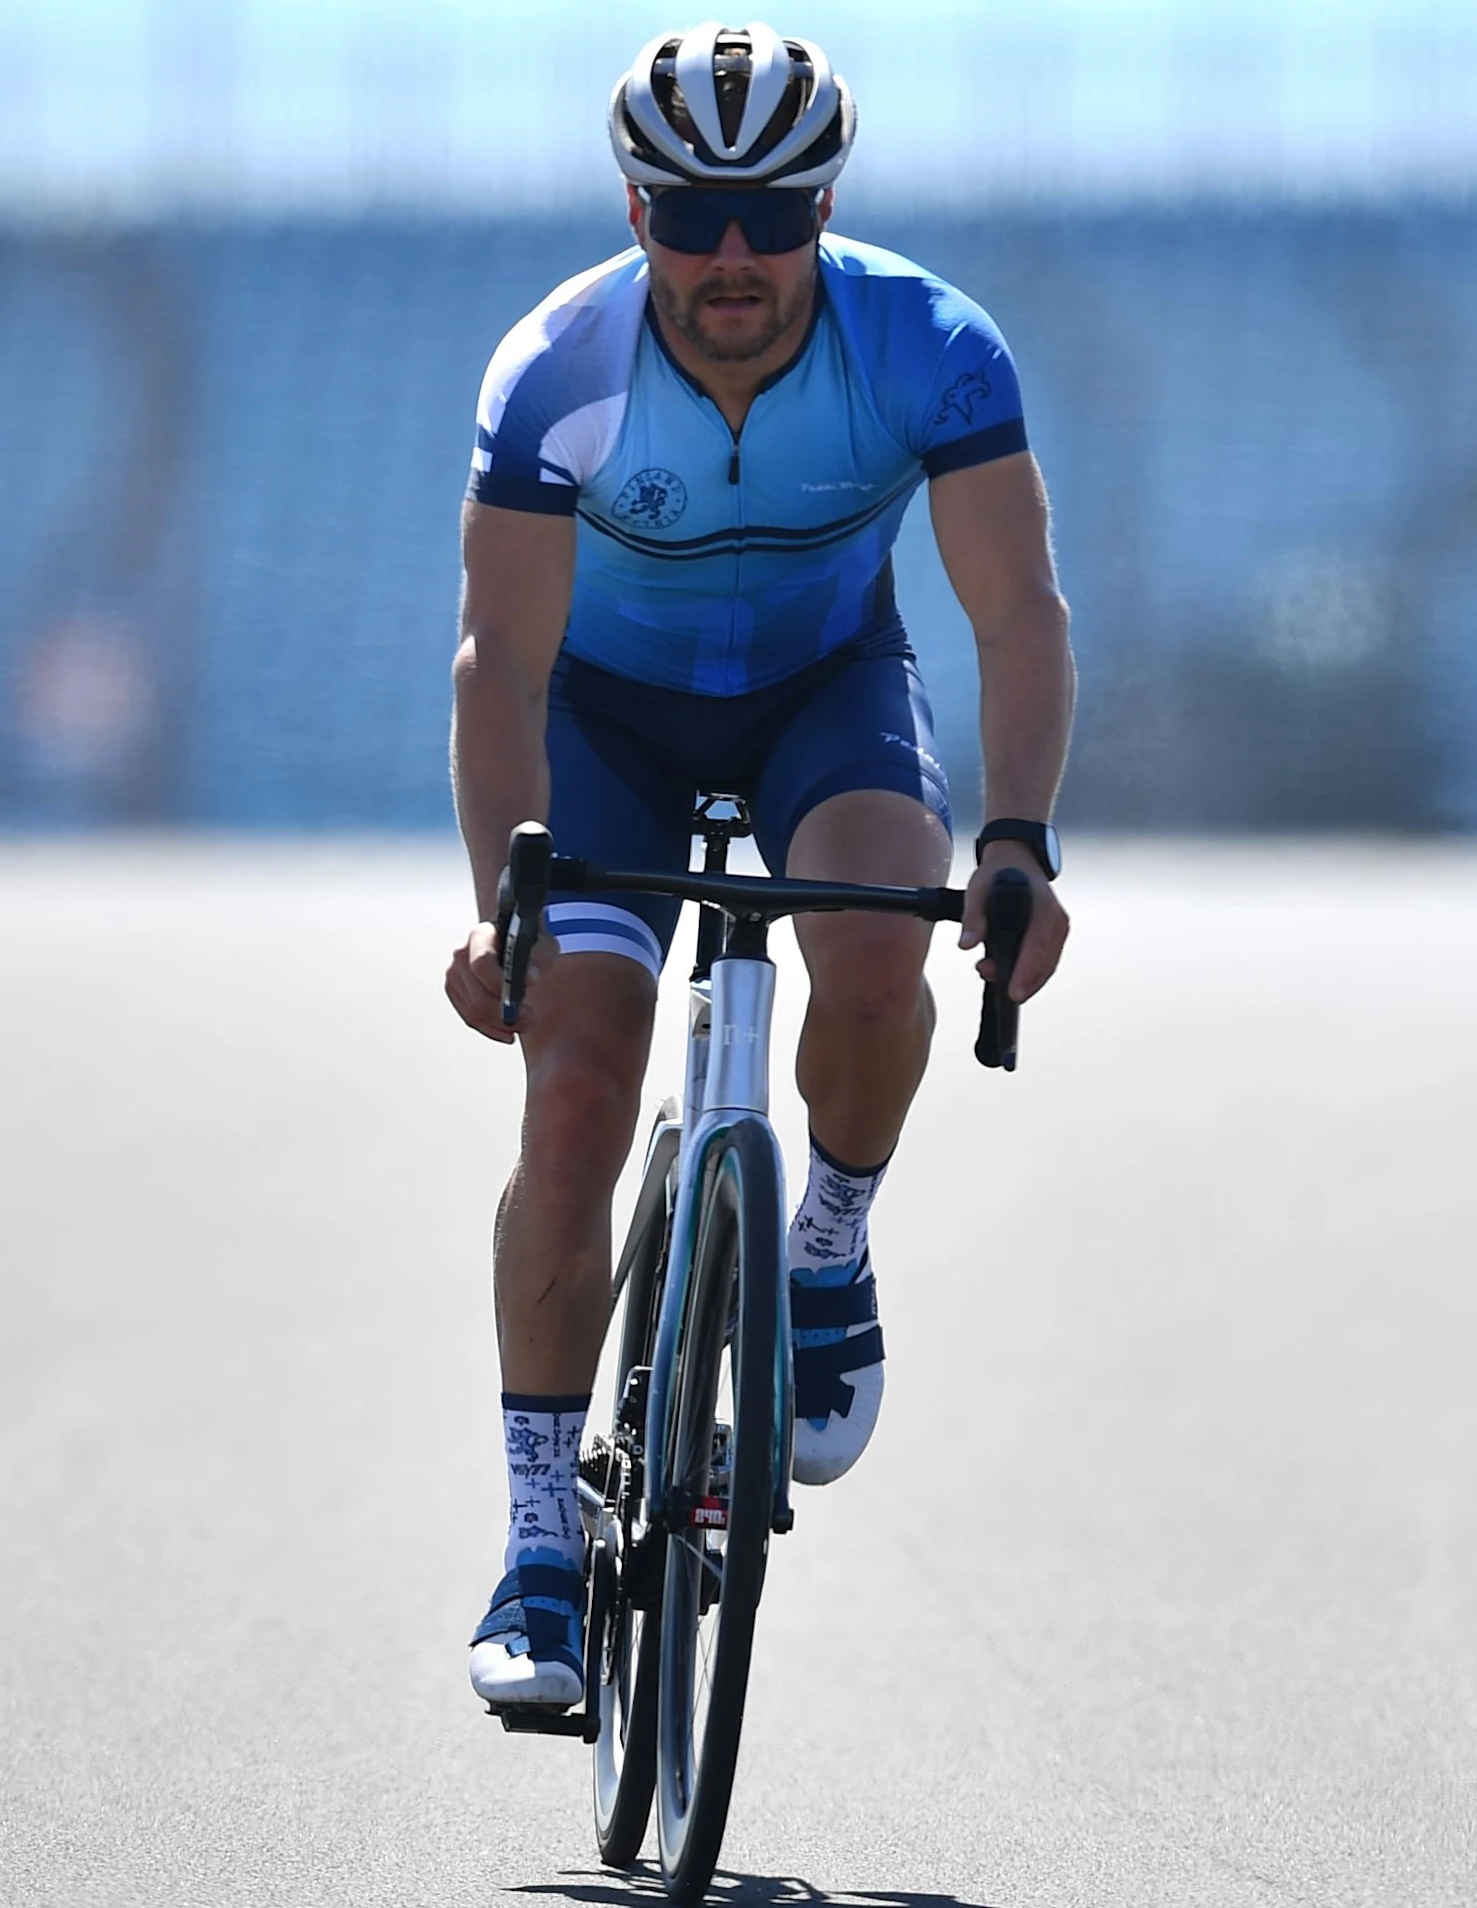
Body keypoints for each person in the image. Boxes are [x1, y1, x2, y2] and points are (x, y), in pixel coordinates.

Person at [443, 21, 1076, 1712]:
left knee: (881, 952)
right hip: (611, 727)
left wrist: (1017, 842)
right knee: (574, 1087)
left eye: (776, 216)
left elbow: (1016, 614)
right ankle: (538, 1547)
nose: (734, 254)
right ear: (635, 205)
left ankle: (825, 1249)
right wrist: (501, 906)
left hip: (823, 696)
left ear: (825, 206)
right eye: (692, 213)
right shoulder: (554, 370)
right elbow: (498, 666)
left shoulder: (930, 343)